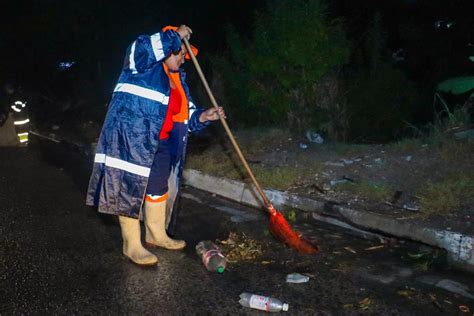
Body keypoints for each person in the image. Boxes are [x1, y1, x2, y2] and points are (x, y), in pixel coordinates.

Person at [86, 25, 225, 266]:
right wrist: (175, 36)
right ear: (167, 47)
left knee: (158, 188)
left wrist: (203, 117)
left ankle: (156, 234)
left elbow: (185, 114)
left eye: (185, 55)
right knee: (127, 187)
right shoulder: (141, 62)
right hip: (132, 137)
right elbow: (149, 47)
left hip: (160, 143)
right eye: (180, 53)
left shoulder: (178, 79)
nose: (183, 58)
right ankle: (132, 245)